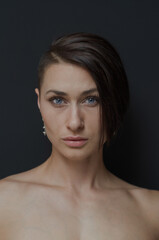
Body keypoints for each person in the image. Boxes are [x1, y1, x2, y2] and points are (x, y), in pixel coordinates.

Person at [0, 32, 158, 239]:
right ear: (39, 102)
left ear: (115, 104)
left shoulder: (152, 211)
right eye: (58, 100)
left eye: (92, 100)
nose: (74, 122)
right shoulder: (3, 202)